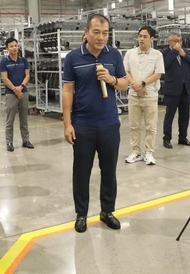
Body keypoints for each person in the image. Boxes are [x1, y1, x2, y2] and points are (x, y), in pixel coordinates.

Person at [62, 14, 128, 233]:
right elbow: (68, 90)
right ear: (86, 32)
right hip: (83, 125)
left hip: (109, 124)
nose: (101, 37)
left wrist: (111, 80)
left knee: (109, 170)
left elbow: (124, 83)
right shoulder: (73, 57)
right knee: (82, 171)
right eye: (96, 32)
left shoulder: (114, 55)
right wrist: (67, 124)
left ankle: (107, 211)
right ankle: (81, 213)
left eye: (105, 33)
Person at [124, 26, 165, 165]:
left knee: (150, 126)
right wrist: (136, 85)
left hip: (150, 94)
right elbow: (126, 72)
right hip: (133, 95)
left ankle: (149, 152)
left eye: (145, 36)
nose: (141, 38)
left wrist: (142, 83)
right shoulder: (130, 53)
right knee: (134, 126)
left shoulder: (157, 55)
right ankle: (135, 152)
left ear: (151, 39)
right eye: (140, 36)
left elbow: (158, 73)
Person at [161, 32, 190, 149]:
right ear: (169, 42)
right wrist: (174, 52)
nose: (178, 43)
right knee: (169, 116)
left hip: (185, 89)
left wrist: (183, 55)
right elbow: (164, 65)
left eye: (180, 41)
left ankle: (183, 137)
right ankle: (166, 139)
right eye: (175, 41)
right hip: (172, 90)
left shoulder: (184, 52)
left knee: (184, 116)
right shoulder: (164, 53)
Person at [0, 38, 34, 152]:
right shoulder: (4, 62)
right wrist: (15, 89)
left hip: (23, 92)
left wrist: (21, 87)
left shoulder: (24, 61)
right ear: (7, 48)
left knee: (24, 119)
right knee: (10, 120)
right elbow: (5, 78)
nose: (14, 48)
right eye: (11, 46)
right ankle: (9, 142)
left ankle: (26, 140)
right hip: (11, 94)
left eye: (16, 45)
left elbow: (27, 75)